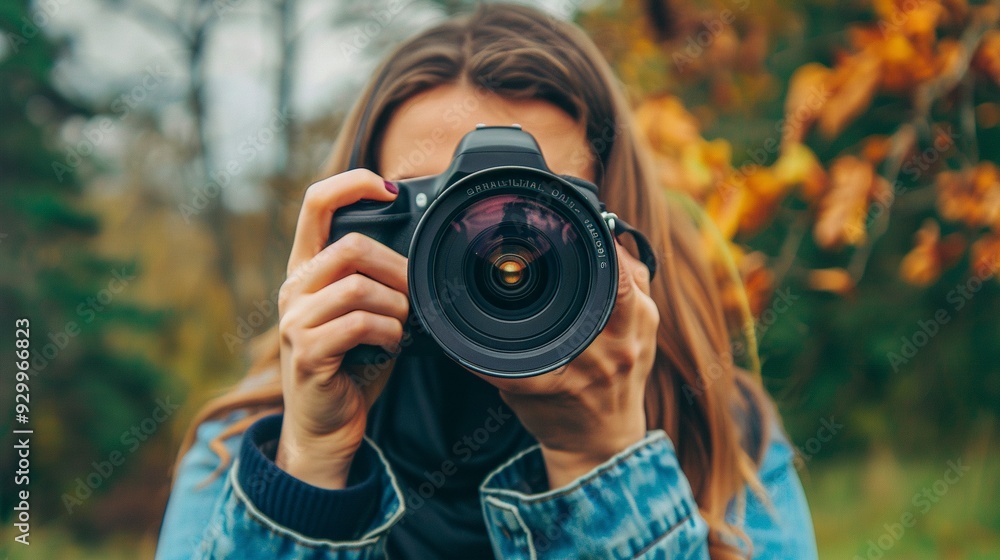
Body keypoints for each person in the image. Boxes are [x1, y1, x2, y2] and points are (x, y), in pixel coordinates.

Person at [155, 4, 817, 559]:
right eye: (443, 209)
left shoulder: (724, 436)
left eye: (539, 205)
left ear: (613, 220)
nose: (495, 245)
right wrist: (310, 466)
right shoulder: (245, 448)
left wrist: (603, 459)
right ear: (359, 226)